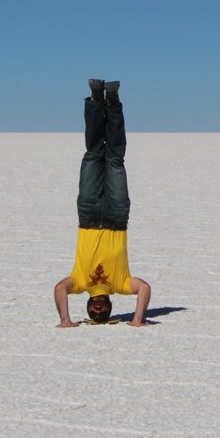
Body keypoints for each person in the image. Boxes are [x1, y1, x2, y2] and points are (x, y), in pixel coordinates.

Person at [53, 79, 151, 328]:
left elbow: (59, 288)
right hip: (117, 218)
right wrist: (138, 319)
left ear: (87, 306)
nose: (98, 309)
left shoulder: (79, 282)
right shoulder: (121, 284)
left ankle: (96, 101)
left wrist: (65, 319)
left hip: (87, 216)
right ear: (110, 308)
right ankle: (114, 103)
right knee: (115, 159)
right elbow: (144, 288)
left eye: (94, 312)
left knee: (93, 154)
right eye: (103, 312)